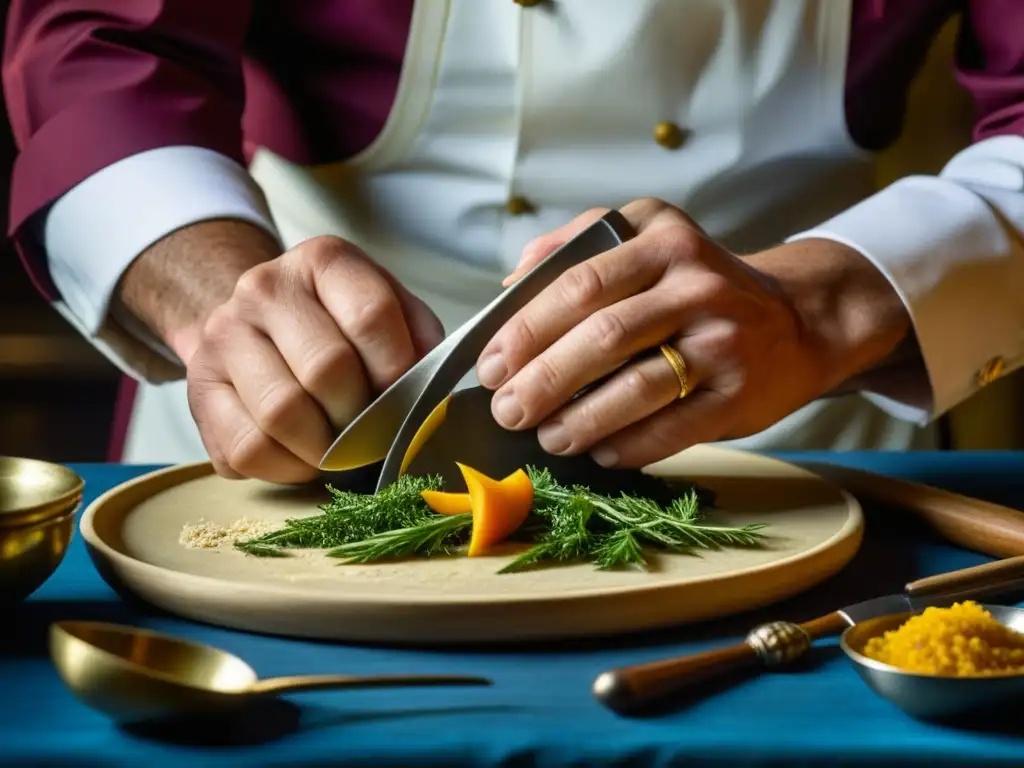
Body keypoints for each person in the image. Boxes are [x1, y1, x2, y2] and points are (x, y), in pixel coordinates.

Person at [4, 1, 1024, 484]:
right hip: (291, 431)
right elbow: (103, 40)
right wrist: (213, 297)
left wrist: (818, 308)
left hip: (800, 433)